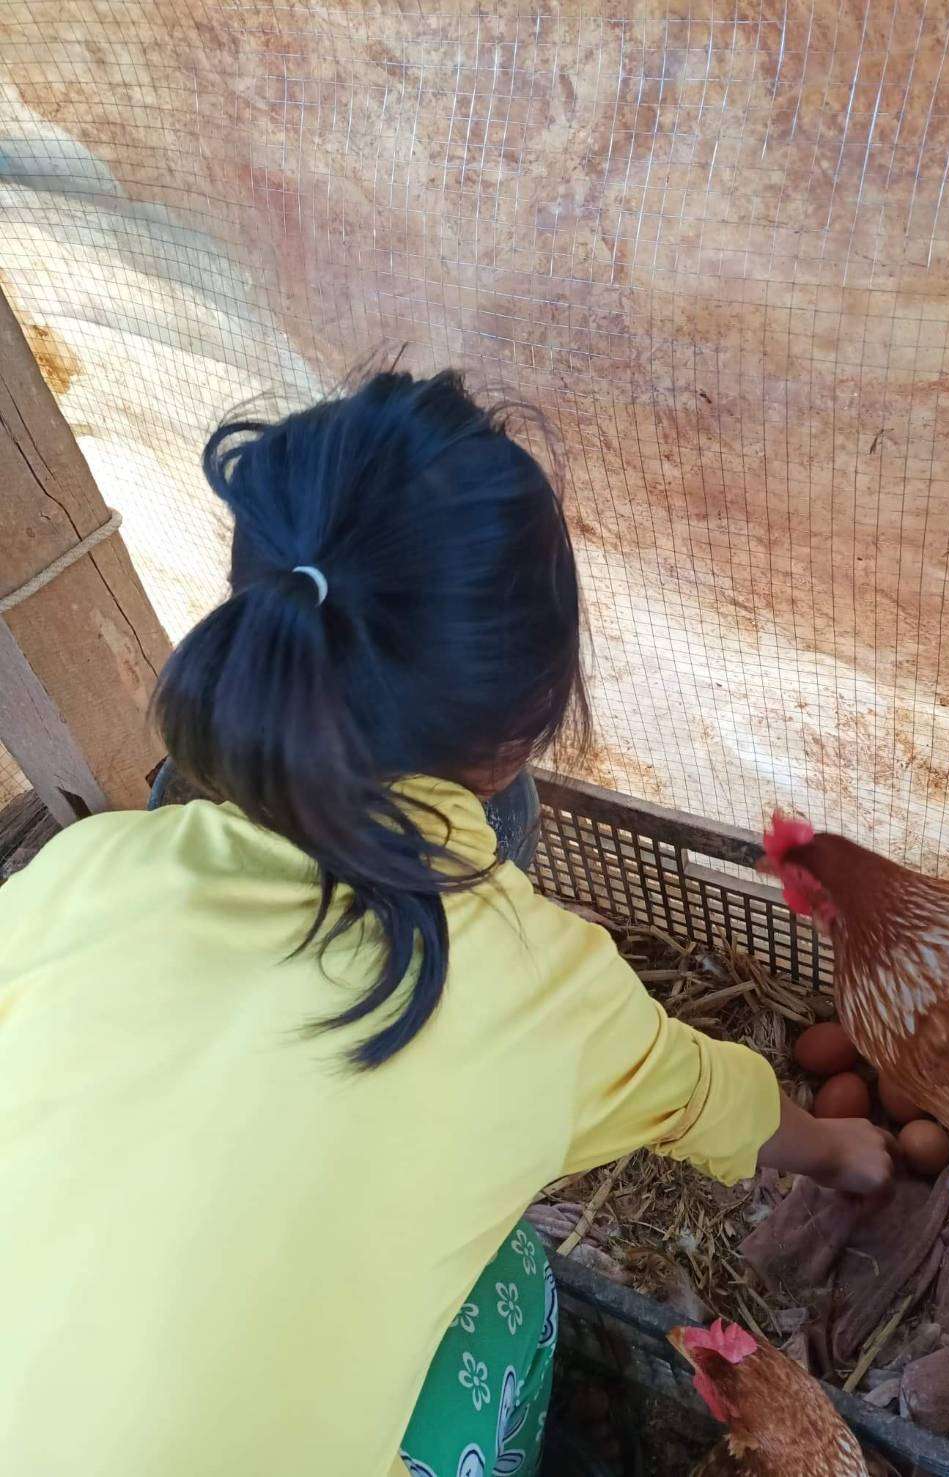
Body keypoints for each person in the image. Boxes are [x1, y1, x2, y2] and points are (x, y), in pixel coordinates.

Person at [0, 370, 893, 1477]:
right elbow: (705, 1096)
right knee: (512, 1282)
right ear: (526, 731)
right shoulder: (543, 987)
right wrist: (843, 1150)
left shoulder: (78, 871)